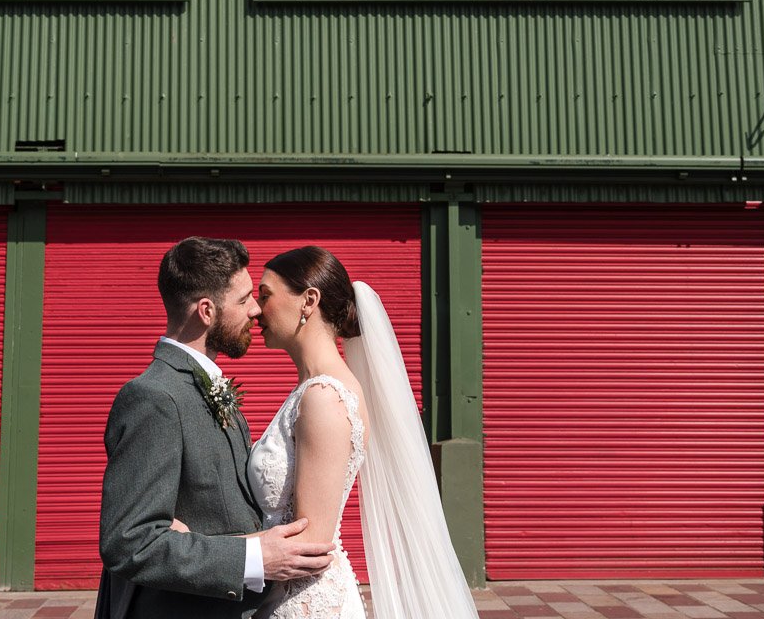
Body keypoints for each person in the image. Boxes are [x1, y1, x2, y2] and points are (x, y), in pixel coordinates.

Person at [94, 237, 335, 619]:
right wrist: (255, 556)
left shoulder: (208, 384)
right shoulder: (153, 398)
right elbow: (129, 543)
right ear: (207, 311)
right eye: (242, 300)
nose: (256, 309)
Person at [245, 246, 481, 619]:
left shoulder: (324, 397)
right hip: (286, 596)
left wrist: (202, 548)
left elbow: (312, 542)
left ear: (308, 301)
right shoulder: (315, 390)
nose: (256, 310)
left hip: (304, 604)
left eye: (265, 295)